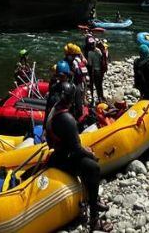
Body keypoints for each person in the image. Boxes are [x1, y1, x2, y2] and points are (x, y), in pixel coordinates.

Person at [45, 81, 112, 231]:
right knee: (93, 167)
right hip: (64, 157)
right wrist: (91, 154)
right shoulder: (66, 119)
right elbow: (76, 149)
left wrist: (83, 149)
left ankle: (93, 199)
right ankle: (94, 219)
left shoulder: (55, 109)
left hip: (60, 152)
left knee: (87, 159)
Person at [85, 37, 108, 104]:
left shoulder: (90, 53)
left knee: (93, 84)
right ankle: (101, 97)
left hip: (94, 71)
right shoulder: (99, 50)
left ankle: (94, 99)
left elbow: (90, 63)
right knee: (100, 85)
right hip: (101, 71)